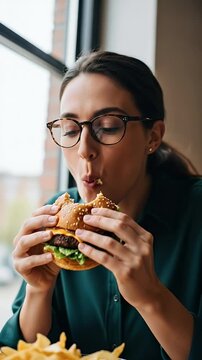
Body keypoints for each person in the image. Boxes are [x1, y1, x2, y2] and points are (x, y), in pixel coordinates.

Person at [0, 51, 202, 360]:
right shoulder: (55, 218)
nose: (83, 150)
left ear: (153, 136)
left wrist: (151, 299)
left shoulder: (196, 213)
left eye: (107, 127)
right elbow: (21, 351)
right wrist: (38, 291)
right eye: (69, 129)